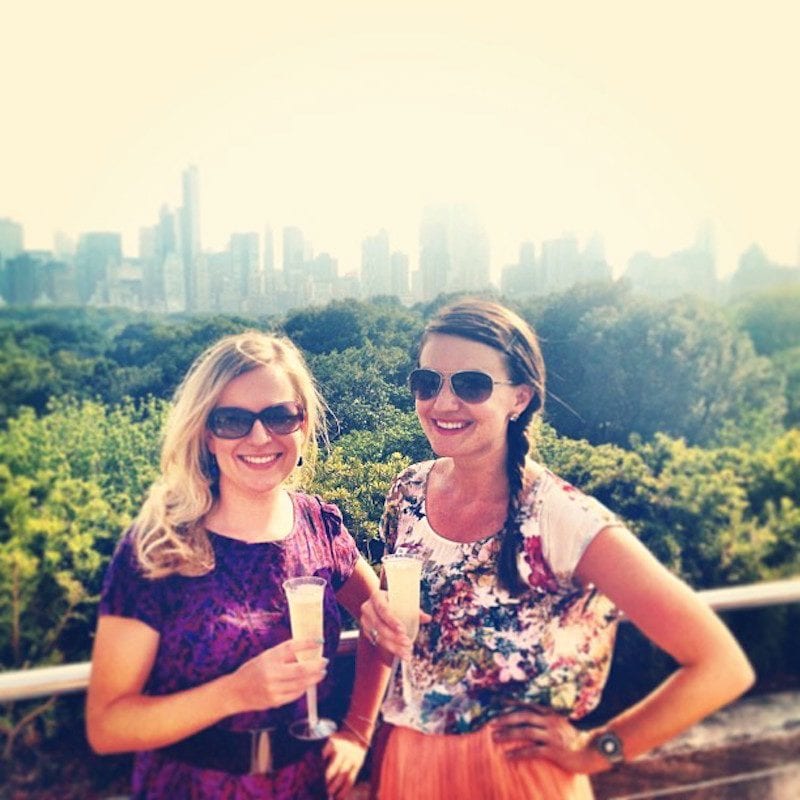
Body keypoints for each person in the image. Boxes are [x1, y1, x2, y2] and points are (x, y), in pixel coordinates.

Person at [357, 298, 755, 800]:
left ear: (519, 399)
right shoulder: (409, 492)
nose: (442, 402)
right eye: (427, 382)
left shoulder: (560, 518)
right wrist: (379, 626)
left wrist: (597, 750)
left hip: (516, 776)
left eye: (471, 384)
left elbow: (720, 664)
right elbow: (399, 631)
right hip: (408, 765)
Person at [86, 331, 384, 800]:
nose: (261, 437)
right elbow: (107, 725)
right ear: (206, 432)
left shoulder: (320, 525)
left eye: (280, 415)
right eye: (232, 421)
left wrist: (357, 732)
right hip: (189, 786)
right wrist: (235, 693)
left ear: (302, 425)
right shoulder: (160, 546)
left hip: (306, 783)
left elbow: (379, 623)